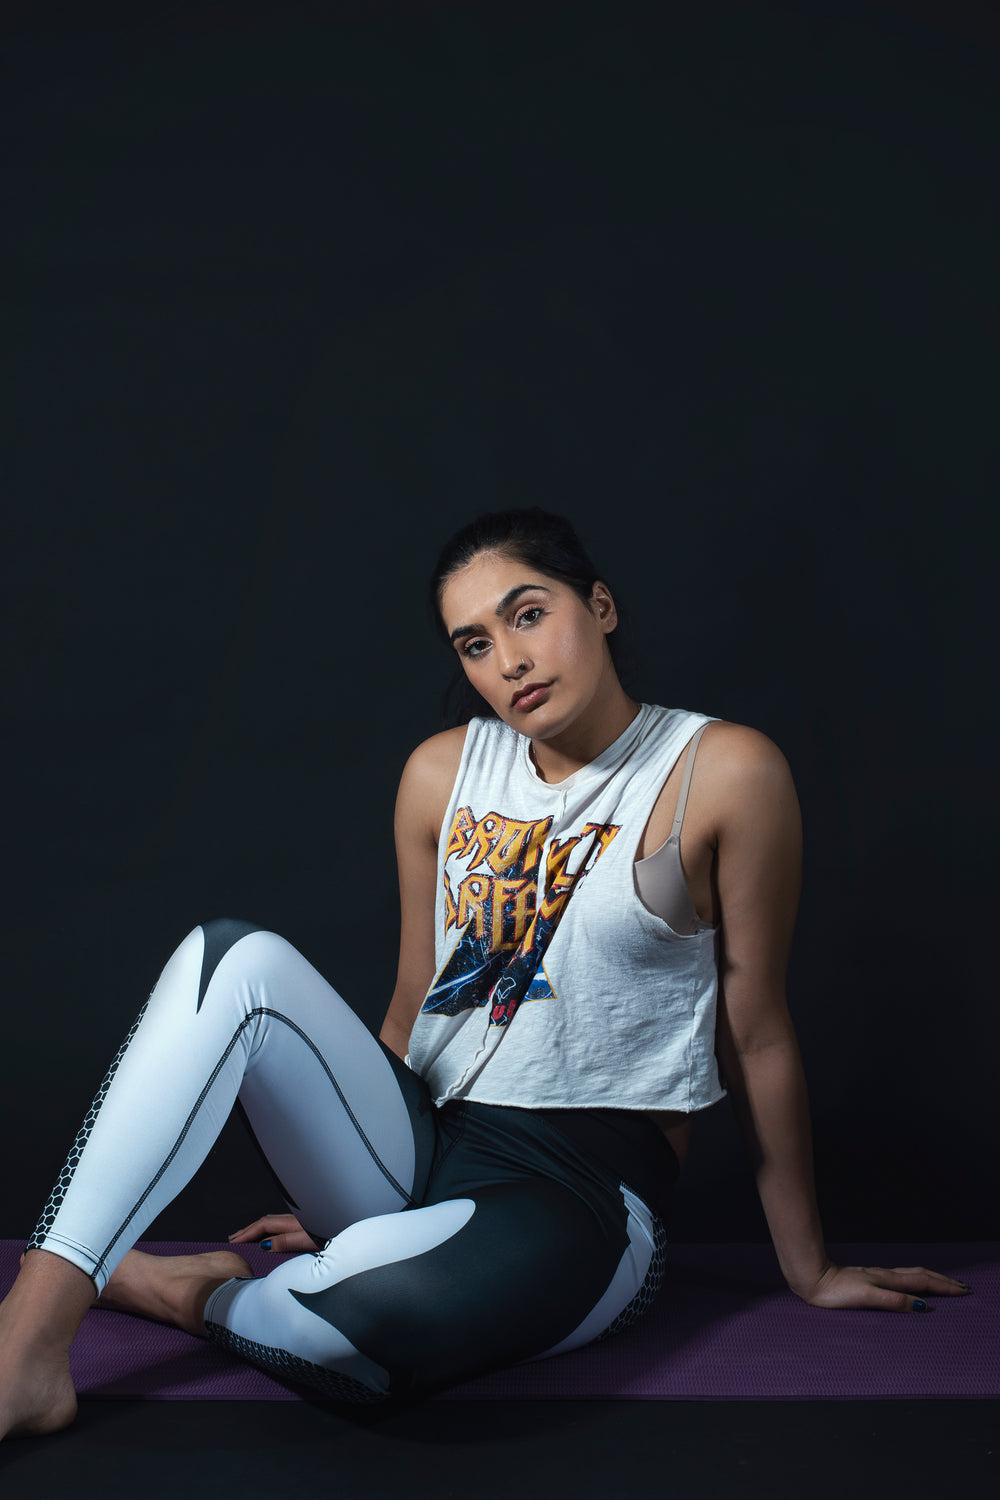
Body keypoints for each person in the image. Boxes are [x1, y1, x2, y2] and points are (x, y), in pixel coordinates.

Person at [0, 508, 968, 1440]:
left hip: (580, 1192)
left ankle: (178, 1285)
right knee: (232, 957)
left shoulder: (721, 771)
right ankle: (28, 1345)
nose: (507, 660)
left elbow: (756, 1031)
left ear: (600, 606)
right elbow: (414, 998)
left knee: (360, 1334)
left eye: (528, 613)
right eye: (472, 643)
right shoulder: (441, 772)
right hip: (427, 1140)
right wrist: (337, 1169)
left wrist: (808, 1267)